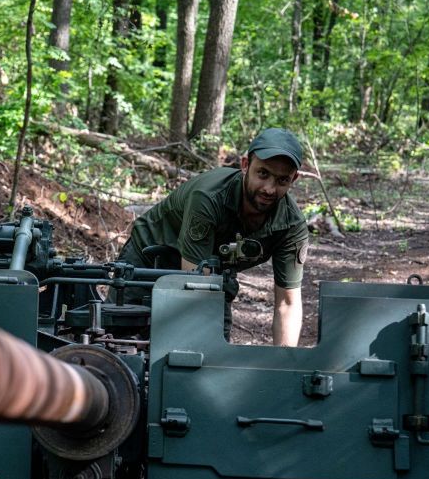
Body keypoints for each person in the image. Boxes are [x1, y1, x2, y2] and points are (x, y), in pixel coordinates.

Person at [116, 128, 309, 346]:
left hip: (213, 273)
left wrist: (282, 367)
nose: (269, 189)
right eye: (263, 174)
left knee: (211, 355)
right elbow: (194, 286)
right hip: (150, 259)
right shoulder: (209, 198)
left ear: (294, 179)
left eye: (282, 180)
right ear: (245, 165)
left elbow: (287, 304)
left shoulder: (292, 225)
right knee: (123, 341)